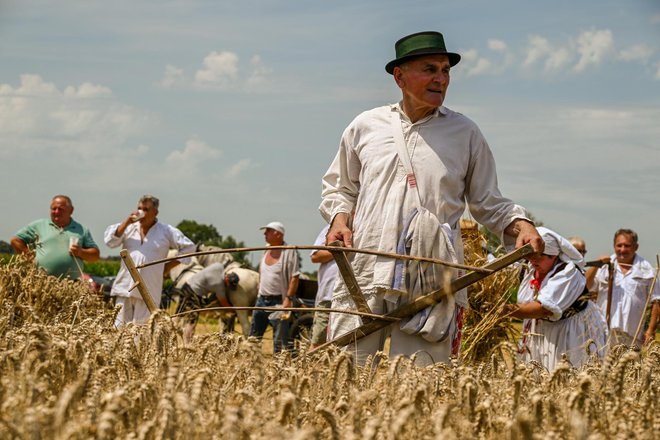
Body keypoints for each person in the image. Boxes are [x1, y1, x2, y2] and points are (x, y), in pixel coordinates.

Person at [320, 31, 543, 366]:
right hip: (364, 271)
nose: (441, 79)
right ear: (400, 76)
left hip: (431, 279)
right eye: (430, 69)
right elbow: (340, 188)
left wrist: (521, 223)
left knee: (419, 388)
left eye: (445, 70)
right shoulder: (365, 126)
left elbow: (488, 201)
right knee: (344, 375)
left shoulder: (464, 133)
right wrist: (339, 220)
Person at [505, 227, 607, 371]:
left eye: (538, 255)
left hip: (571, 331)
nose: (532, 259)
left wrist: (504, 310)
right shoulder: (530, 269)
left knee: (568, 374)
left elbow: (543, 309)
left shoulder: (568, 273)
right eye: (529, 254)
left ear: (553, 256)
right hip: (542, 329)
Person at [104, 195, 195, 327]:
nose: (141, 213)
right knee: (119, 329)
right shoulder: (129, 227)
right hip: (125, 287)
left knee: (141, 334)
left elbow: (189, 248)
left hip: (149, 289)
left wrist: (167, 267)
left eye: (146, 209)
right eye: (139, 208)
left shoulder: (166, 231)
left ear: (155, 212)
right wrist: (127, 222)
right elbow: (110, 241)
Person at [587, 229, 660, 347]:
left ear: (636, 247)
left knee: (630, 365)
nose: (622, 250)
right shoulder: (604, 266)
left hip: (633, 334)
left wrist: (650, 330)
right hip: (603, 332)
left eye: (627, 246)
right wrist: (596, 266)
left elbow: (656, 301)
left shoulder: (646, 269)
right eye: (619, 245)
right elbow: (586, 287)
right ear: (614, 246)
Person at [11, 195, 100, 280]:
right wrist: (29, 256)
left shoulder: (81, 230)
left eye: (61, 209)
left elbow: (95, 255)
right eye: (54, 209)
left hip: (71, 286)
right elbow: (15, 240)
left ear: (71, 210)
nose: (56, 212)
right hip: (40, 284)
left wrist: (81, 252)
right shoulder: (39, 225)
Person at [249, 221, 300, 353]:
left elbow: (295, 276)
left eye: (268, 231)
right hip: (261, 300)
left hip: (279, 301)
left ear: (278, 234)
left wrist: (288, 298)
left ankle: (278, 368)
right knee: (253, 338)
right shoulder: (266, 249)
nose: (264, 234)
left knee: (279, 341)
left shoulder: (289, 251)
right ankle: (251, 367)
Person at [177, 262, 239, 343]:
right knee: (191, 321)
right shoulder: (219, 286)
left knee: (178, 315)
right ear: (227, 278)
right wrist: (234, 311)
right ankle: (187, 345)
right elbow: (224, 304)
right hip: (193, 293)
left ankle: (168, 331)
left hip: (186, 287)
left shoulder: (219, 266)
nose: (228, 287)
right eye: (229, 284)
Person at [309, 224, 338, 348]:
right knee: (318, 342)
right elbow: (315, 256)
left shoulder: (367, 226)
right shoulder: (331, 228)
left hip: (353, 298)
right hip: (328, 295)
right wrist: (340, 250)